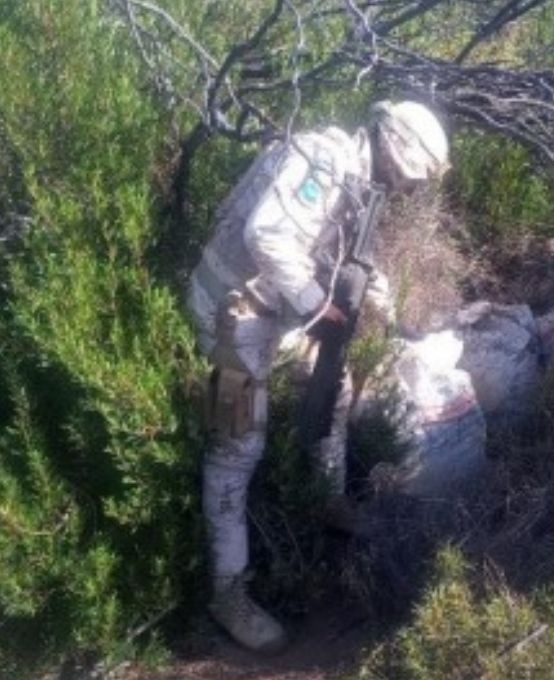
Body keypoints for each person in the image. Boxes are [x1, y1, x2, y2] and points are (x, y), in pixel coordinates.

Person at [185, 100, 450, 653]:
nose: (403, 189)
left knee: (334, 389)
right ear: (393, 152)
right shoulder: (325, 161)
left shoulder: (356, 180)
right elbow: (268, 236)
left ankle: (327, 501)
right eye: (405, 178)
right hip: (226, 317)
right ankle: (225, 592)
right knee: (234, 451)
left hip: (271, 315)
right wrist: (318, 306)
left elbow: (330, 247)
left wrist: (373, 294)